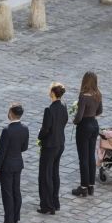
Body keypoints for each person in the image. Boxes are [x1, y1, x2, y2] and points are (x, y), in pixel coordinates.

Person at [0, 103, 29, 223]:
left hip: (7, 166)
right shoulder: (25, 128)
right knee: (16, 192)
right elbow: (24, 147)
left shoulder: (7, 131)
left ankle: (8, 222)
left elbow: (2, 152)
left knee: (7, 194)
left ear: (10, 114)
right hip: (18, 164)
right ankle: (15, 220)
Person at [37, 82, 68, 215]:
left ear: (52, 93)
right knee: (55, 173)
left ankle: (47, 205)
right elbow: (65, 121)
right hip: (60, 143)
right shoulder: (64, 106)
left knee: (45, 175)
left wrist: (40, 135)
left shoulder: (49, 110)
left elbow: (45, 129)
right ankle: (55, 202)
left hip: (49, 146)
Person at [72, 71, 103, 197]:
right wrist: (93, 115)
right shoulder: (98, 95)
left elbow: (79, 116)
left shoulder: (83, 97)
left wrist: (74, 121)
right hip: (94, 126)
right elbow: (100, 110)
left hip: (84, 127)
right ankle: (91, 186)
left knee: (83, 158)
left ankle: (83, 187)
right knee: (91, 157)